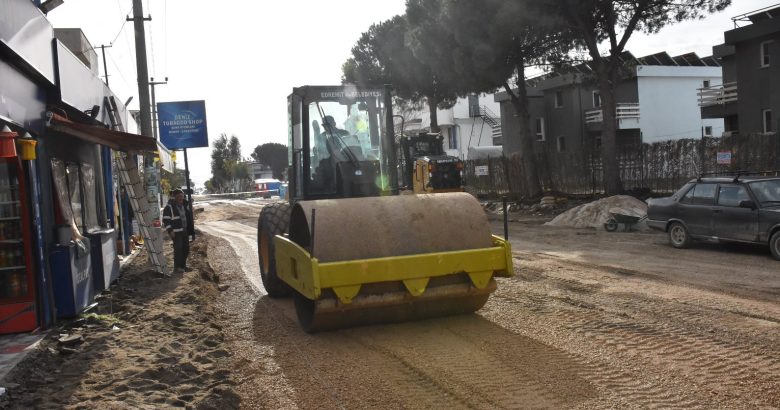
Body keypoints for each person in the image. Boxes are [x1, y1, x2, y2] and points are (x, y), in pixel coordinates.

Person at [162, 189, 191, 273]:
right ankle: (177, 267)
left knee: (186, 249)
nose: (181, 198)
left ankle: (183, 266)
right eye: (179, 196)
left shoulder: (185, 205)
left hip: (185, 231)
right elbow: (166, 220)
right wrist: (170, 231)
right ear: (175, 197)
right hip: (176, 232)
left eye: (182, 196)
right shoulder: (169, 207)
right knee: (178, 249)